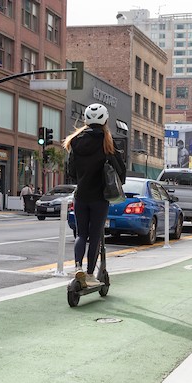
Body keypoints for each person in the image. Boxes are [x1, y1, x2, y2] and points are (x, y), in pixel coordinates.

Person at [63, 103, 125, 288]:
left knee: (81, 235)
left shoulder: (75, 141)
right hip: (99, 197)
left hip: (81, 195)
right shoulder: (107, 142)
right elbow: (120, 171)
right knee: (95, 236)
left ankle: (77, 268)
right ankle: (90, 274)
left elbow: (71, 171)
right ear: (105, 120)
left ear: (85, 120)